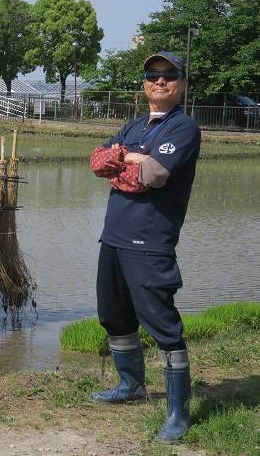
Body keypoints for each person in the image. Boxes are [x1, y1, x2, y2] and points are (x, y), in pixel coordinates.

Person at [89, 51, 201, 442]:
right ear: (143, 84)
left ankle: (177, 413)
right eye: (153, 75)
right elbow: (98, 161)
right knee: (114, 316)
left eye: (169, 75)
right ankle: (131, 385)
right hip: (114, 236)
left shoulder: (182, 128)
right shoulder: (133, 125)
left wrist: (131, 161)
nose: (160, 80)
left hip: (150, 241)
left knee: (163, 325)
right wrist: (127, 157)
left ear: (182, 84)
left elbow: (152, 175)